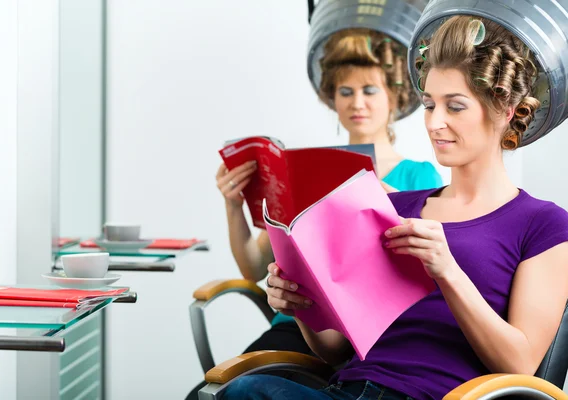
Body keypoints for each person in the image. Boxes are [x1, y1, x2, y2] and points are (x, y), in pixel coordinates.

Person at [221, 15, 568, 400]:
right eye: (429, 104)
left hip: (436, 395)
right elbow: (335, 349)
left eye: (454, 106)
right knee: (247, 390)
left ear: (505, 110)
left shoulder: (544, 224)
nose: (435, 123)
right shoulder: (390, 206)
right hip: (349, 389)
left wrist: (447, 271)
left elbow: (520, 365)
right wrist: (301, 307)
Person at [185, 28, 442, 400]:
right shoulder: (308, 172)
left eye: (369, 90)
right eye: (345, 92)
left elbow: (423, 275)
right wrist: (233, 206)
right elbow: (256, 267)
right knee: (204, 395)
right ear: (332, 100)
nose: (358, 103)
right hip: (299, 323)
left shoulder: (419, 176)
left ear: (394, 97)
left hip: (373, 336)